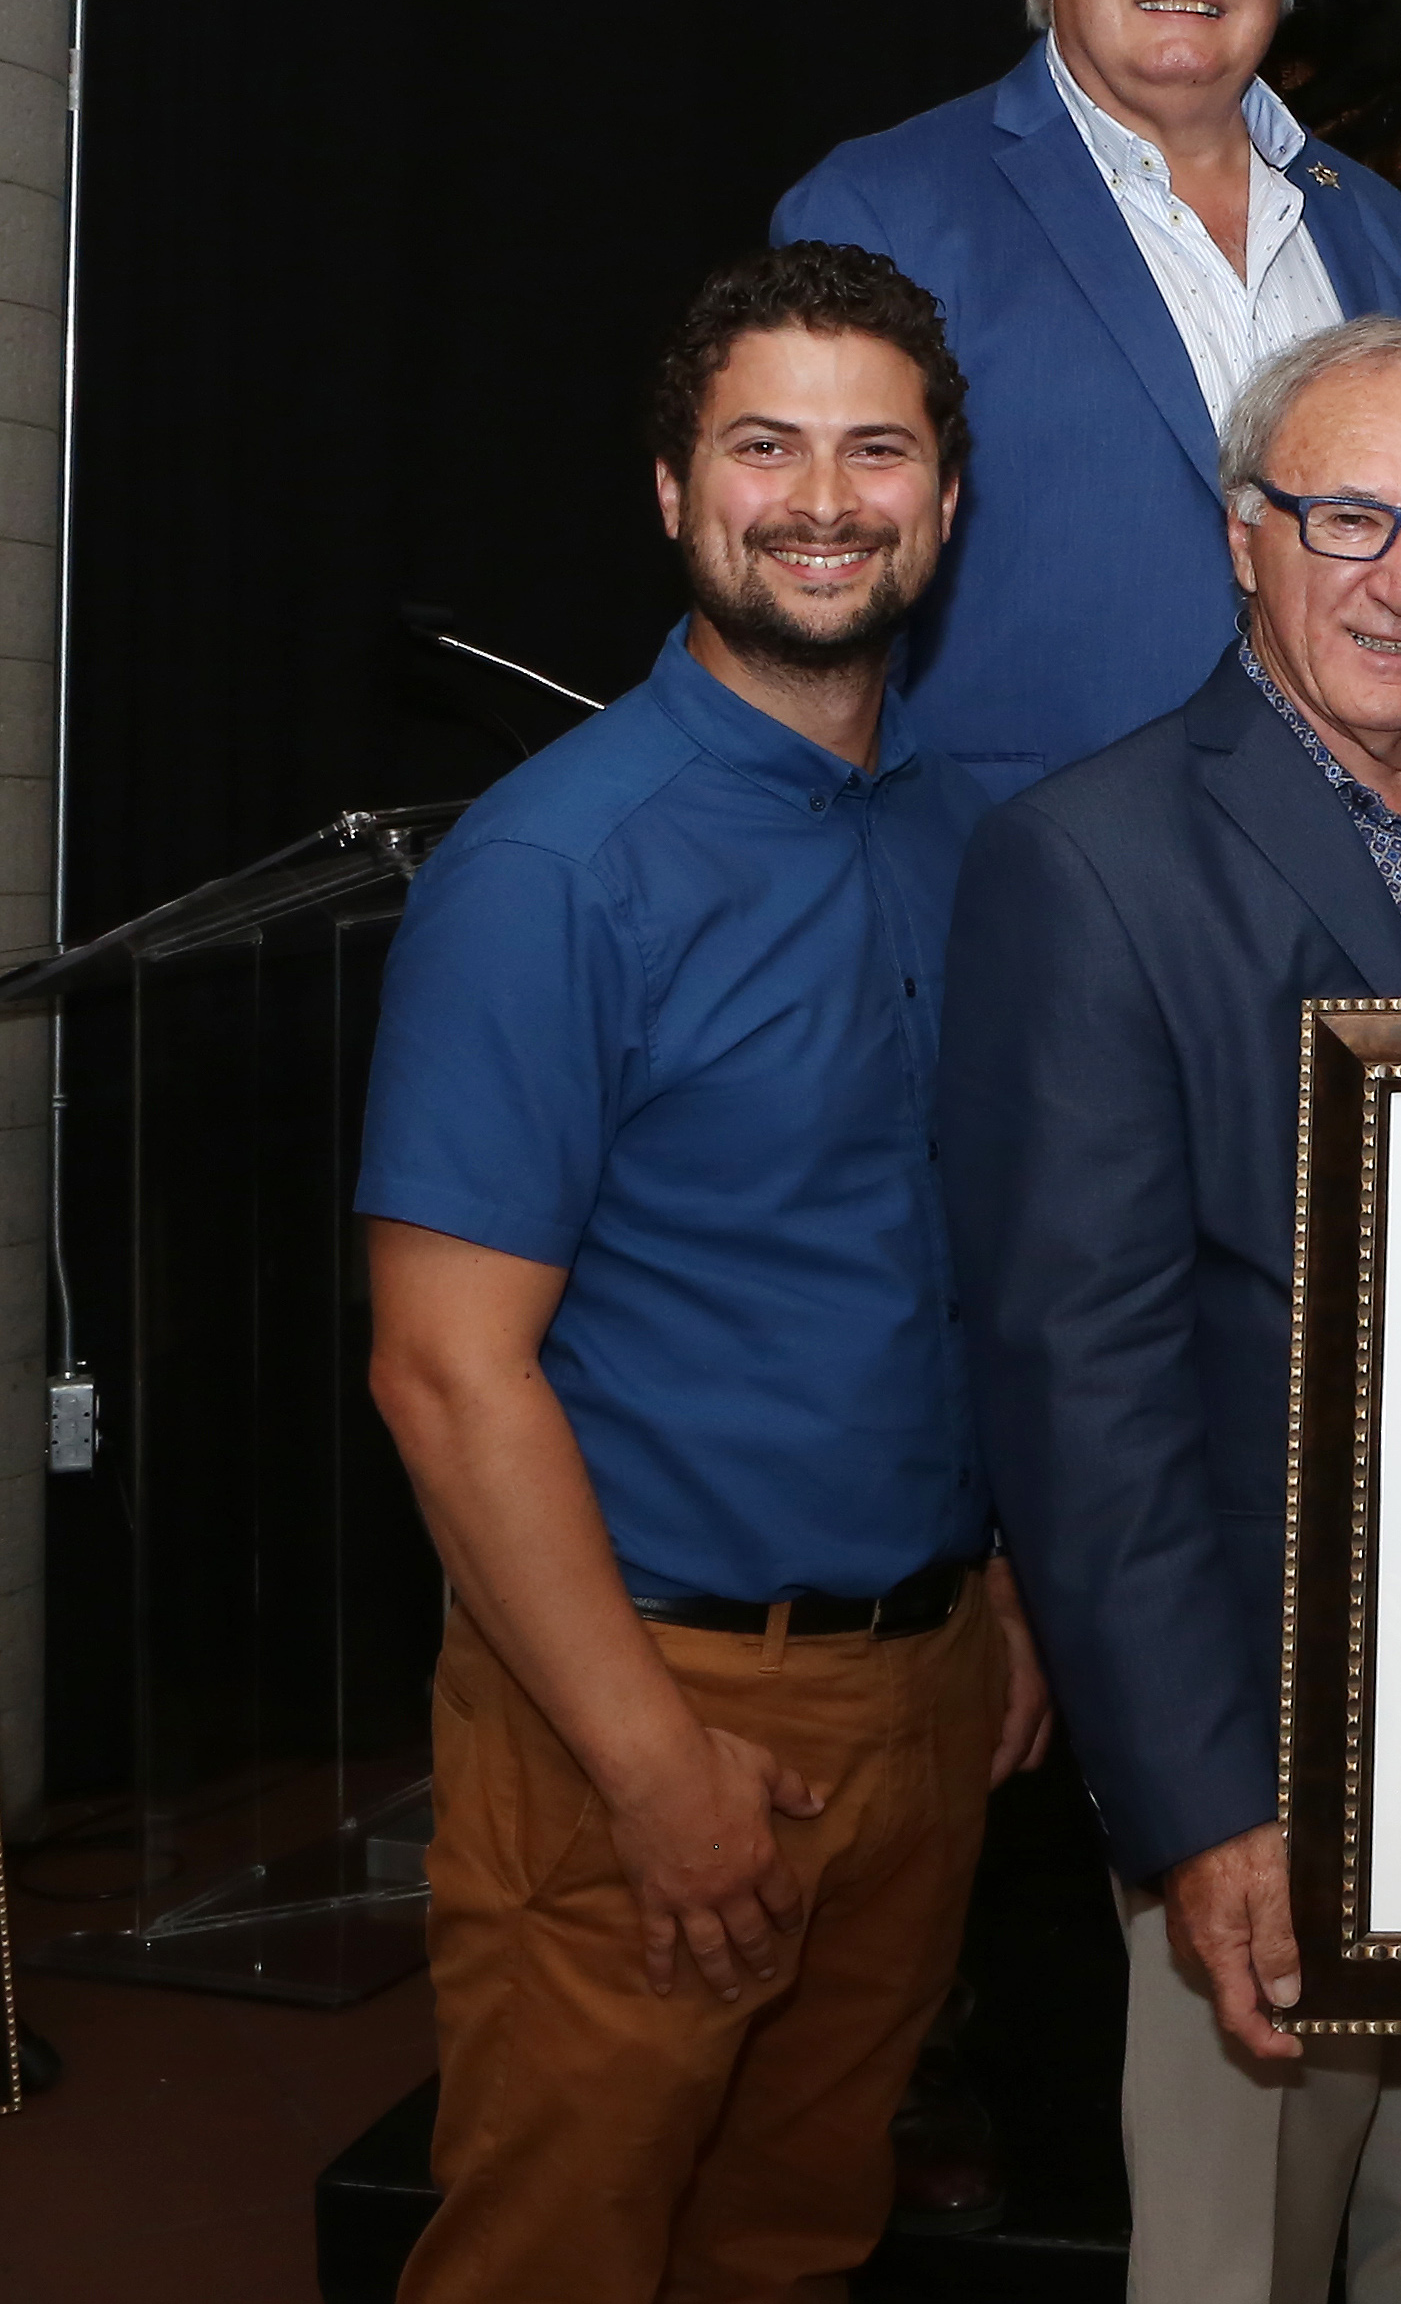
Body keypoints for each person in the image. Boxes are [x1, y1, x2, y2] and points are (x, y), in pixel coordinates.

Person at [943, 317, 1401, 2304]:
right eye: (1349, 518)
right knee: (1231, 2270)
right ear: (1243, 535)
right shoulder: (1083, 862)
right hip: (1267, 1748)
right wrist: (1199, 1815)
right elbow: (1078, 1391)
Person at [360, 243, 1051, 2302]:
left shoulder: (963, 840)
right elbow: (444, 1374)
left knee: (792, 2249)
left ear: (946, 502)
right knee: (554, 2261)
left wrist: (999, 1594)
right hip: (646, 1704)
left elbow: (956, 1259)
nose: (822, 500)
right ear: (675, 492)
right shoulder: (554, 869)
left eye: (875, 452)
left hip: (922, 1696)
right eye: (765, 447)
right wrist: (653, 1772)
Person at [775, 0, 1401, 800]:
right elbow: (810, 613)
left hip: (1349, 851)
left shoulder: (1381, 231)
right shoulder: (886, 211)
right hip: (1014, 855)